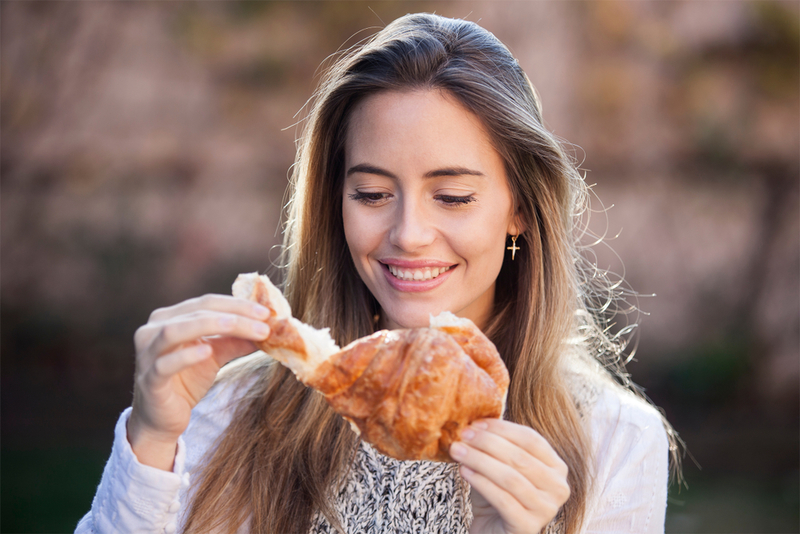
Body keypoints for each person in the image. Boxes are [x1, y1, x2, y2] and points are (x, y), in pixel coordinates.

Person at [76, 13, 679, 534]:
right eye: (370, 193)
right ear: (333, 202)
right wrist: (152, 442)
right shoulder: (231, 403)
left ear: (519, 208)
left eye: (453, 197)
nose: (408, 233)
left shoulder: (614, 437)